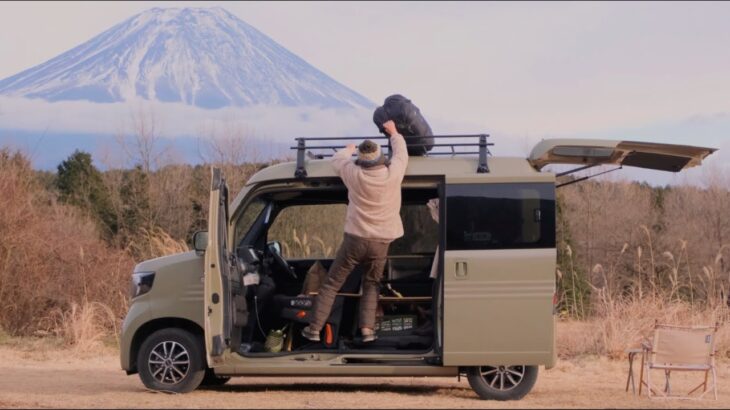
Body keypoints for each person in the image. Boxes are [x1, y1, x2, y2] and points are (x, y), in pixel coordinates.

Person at [302, 120, 408, 343]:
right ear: (381, 158)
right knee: (371, 284)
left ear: (361, 160)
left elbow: (337, 160)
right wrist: (394, 133)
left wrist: (349, 149)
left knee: (332, 283)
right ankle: (367, 330)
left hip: (355, 239)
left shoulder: (354, 174)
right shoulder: (393, 175)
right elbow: (401, 155)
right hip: (381, 241)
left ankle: (314, 329)